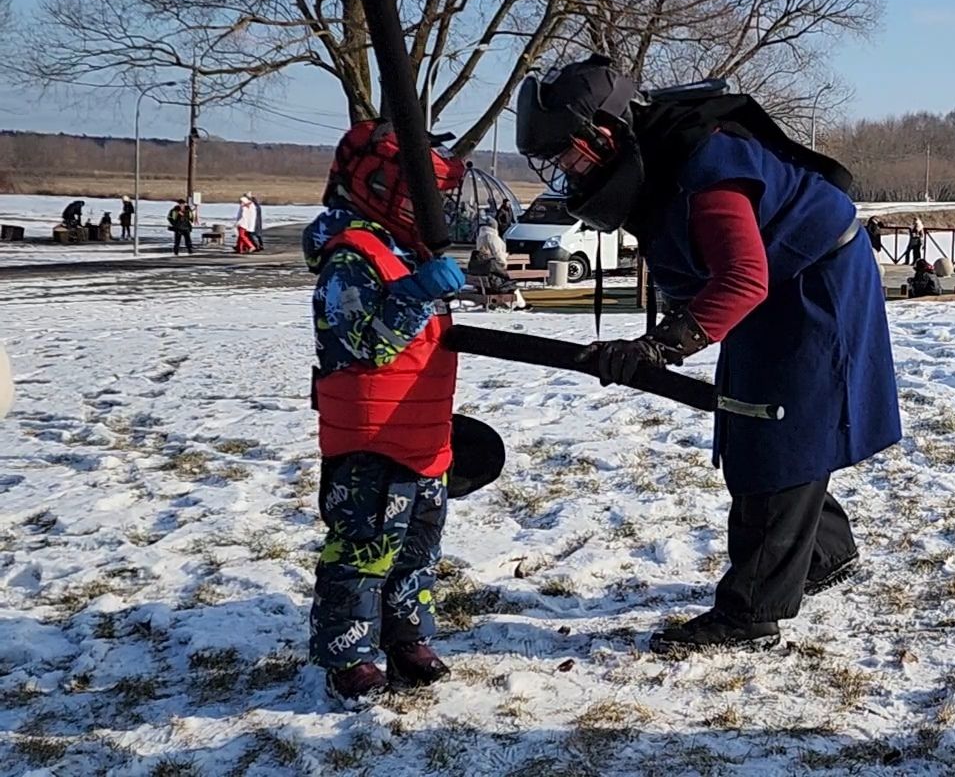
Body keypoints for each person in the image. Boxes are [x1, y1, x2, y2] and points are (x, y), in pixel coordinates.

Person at [515, 56, 900, 655]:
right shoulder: (655, 160)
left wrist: (659, 346)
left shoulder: (704, 167)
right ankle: (825, 551)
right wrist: (660, 337)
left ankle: (752, 612)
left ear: (606, 132)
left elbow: (743, 278)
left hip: (813, 284)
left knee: (778, 429)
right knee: (752, 419)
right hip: (776, 283)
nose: (565, 168)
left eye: (569, 153)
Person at [303, 120, 470, 704]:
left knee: (418, 547)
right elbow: (361, 346)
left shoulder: (406, 252)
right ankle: (348, 656)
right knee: (363, 550)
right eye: (428, 194)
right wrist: (416, 295)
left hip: (423, 434)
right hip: (369, 438)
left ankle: (407, 639)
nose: (437, 209)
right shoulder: (351, 258)